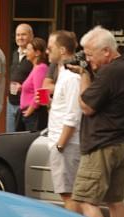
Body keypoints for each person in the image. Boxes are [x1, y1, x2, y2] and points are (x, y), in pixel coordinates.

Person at [67, 26, 124, 217]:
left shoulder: (109, 72)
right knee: (116, 201)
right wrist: (88, 71)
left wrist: (83, 75)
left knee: (86, 200)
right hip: (122, 142)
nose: (87, 60)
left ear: (106, 52)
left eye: (90, 55)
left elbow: (86, 105)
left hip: (101, 144)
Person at [46, 30, 82, 205]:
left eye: (50, 48)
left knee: (69, 195)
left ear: (61, 50)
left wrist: (60, 144)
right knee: (66, 194)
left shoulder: (71, 77)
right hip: (61, 142)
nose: (47, 51)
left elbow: (73, 114)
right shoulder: (62, 74)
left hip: (67, 144)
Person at [8, 23, 33, 132]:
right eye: (18, 35)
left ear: (31, 36)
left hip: (25, 105)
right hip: (11, 102)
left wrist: (22, 87)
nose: (20, 38)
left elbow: (38, 81)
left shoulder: (34, 55)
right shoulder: (15, 53)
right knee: (9, 136)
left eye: (23, 34)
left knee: (21, 138)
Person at [20, 37, 49, 132]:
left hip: (34, 115)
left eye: (28, 49)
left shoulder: (41, 68)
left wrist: (29, 112)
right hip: (28, 113)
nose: (25, 52)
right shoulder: (35, 68)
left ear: (37, 53)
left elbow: (40, 93)